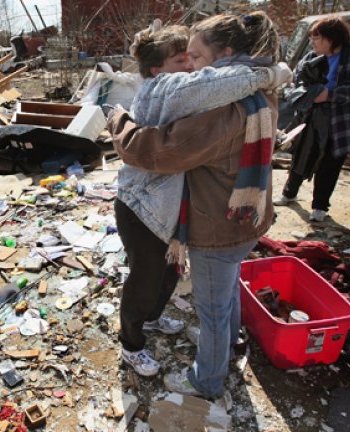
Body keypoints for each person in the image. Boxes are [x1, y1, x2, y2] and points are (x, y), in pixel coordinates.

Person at [109, 12, 281, 398]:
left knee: (213, 311)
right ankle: (231, 348)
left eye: (197, 58)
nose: (193, 71)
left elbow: (158, 151)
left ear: (226, 56)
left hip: (218, 226)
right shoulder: (261, 94)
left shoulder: (222, 110)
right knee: (227, 292)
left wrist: (118, 122)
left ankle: (207, 380)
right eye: (183, 59)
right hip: (246, 218)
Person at [274, 16, 350, 222]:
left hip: (340, 123)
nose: (313, 43)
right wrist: (303, 95)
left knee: (330, 162)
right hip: (310, 118)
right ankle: (289, 193)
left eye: (317, 38)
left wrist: (330, 95)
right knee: (301, 155)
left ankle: (320, 206)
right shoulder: (311, 57)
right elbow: (294, 82)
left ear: (332, 38)